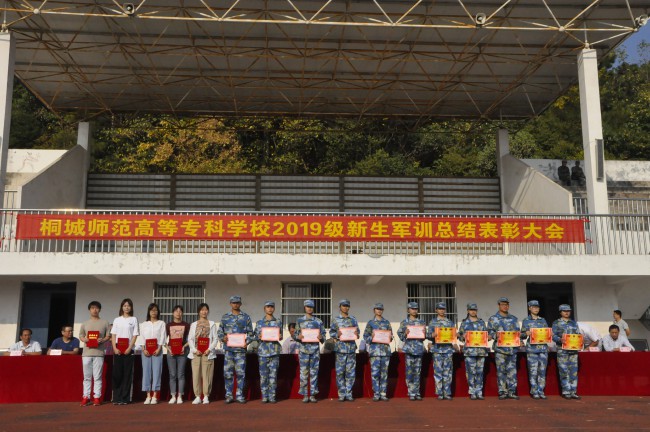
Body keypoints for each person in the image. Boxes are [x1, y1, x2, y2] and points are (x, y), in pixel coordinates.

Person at [218, 295, 254, 404]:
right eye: (233, 303)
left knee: (240, 374)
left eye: (237, 302)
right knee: (228, 374)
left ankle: (239, 395)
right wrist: (223, 338)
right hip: (229, 350)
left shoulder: (246, 317)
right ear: (230, 304)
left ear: (240, 304)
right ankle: (229, 395)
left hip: (240, 351)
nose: (235, 304)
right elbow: (220, 332)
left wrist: (247, 342)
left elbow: (251, 334)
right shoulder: (225, 317)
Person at [78, 301, 111, 406]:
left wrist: (102, 340)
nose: (94, 310)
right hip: (86, 353)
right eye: (92, 308)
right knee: (87, 377)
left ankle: (97, 397)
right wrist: (85, 339)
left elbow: (108, 336)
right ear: (89, 310)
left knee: (97, 377)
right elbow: (81, 335)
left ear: (99, 309)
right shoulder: (85, 323)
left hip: (99, 352)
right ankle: (86, 397)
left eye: (96, 308)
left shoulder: (105, 322)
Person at [294, 299, 326, 403]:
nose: (309, 309)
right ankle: (304, 395)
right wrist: (298, 336)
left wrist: (321, 337)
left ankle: (312, 394)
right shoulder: (299, 321)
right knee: (303, 373)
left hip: (315, 351)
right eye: (308, 307)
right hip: (303, 351)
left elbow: (324, 336)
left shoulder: (318, 321)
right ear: (305, 308)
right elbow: (295, 335)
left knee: (314, 373)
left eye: (311, 307)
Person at [487, 297, 519, 400]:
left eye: (507, 304)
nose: (505, 306)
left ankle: (512, 391)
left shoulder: (514, 318)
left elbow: (517, 332)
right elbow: (489, 332)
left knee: (512, 371)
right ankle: (502, 392)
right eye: (503, 304)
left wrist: (520, 339)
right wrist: (495, 335)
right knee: (501, 371)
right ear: (499, 305)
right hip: (500, 349)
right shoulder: (493, 319)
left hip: (512, 349)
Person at [330, 299, 360, 402]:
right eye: (343, 306)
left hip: (351, 349)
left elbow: (358, 332)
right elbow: (331, 332)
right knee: (340, 372)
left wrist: (356, 334)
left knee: (350, 373)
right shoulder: (335, 320)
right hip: (340, 350)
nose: (345, 307)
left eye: (347, 306)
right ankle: (342, 393)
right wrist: (336, 334)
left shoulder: (353, 319)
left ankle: (349, 393)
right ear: (340, 307)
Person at [187, 303, 217, 404]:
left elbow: (215, 339)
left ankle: (206, 396)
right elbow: (190, 339)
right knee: (196, 374)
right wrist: (194, 350)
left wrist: (209, 349)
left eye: (206, 310)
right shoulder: (193, 324)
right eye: (202, 310)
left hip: (207, 353)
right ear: (199, 312)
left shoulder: (212, 324)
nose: (204, 312)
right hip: (196, 353)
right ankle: (197, 396)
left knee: (207, 374)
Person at [458, 303, 489, 400]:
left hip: (481, 351)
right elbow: (459, 335)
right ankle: (472, 391)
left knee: (480, 372)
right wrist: (462, 336)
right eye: (471, 310)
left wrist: (488, 337)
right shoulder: (464, 323)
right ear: (468, 311)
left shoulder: (481, 322)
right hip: (469, 351)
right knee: (471, 372)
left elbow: (486, 334)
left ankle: (479, 392)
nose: (473, 311)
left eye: (474, 310)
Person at [111, 298, 139, 405]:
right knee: (117, 374)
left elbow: (135, 335)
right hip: (118, 349)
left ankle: (125, 398)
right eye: (124, 306)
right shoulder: (117, 320)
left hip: (129, 349)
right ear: (122, 307)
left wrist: (129, 348)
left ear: (131, 307)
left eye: (128, 306)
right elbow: (113, 335)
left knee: (127, 374)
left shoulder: (134, 319)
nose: (126, 307)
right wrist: (114, 348)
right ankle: (116, 397)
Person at [254, 300, 283, 403]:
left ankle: (272, 396)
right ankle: (265, 396)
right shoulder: (259, 323)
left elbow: (280, 336)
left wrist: (280, 336)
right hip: (263, 352)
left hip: (274, 352)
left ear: (274, 309)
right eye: (268, 307)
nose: (270, 309)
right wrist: (259, 336)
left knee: (273, 376)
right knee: (263, 376)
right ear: (264, 309)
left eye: (271, 307)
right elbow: (255, 336)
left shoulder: (278, 322)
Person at [397, 302, 427, 401]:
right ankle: (411, 392)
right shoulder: (404, 322)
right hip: (409, 350)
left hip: (418, 349)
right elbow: (400, 336)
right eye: (412, 309)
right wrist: (405, 333)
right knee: (409, 372)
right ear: (408, 310)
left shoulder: (422, 322)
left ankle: (417, 392)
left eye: (416, 309)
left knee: (417, 372)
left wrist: (424, 334)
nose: (414, 310)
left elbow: (424, 338)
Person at [363, 302, 393, 402]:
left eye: (380, 309)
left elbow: (391, 336)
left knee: (384, 373)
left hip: (385, 351)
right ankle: (376, 393)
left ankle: (383, 393)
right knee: (375, 373)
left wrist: (390, 337)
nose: (379, 311)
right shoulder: (370, 323)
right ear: (374, 310)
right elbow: (365, 337)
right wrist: (371, 337)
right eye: (377, 309)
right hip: (375, 352)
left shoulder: (387, 322)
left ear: (382, 310)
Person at [520, 300, 549, 399]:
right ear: (529, 308)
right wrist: (525, 333)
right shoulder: (526, 320)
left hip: (543, 349)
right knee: (533, 371)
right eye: (534, 307)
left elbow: (547, 333)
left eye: (537, 307)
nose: (536, 309)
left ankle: (541, 390)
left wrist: (549, 334)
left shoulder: (543, 320)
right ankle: (534, 391)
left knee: (542, 371)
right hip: (532, 349)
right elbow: (522, 335)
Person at [138, 303, 166, 405]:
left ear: (158, 312)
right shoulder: (144, 324)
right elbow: (141, 337)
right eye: (152, 310)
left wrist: (159, 348)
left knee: (157, 371)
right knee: (146, 372)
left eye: (155, 310)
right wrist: (143, 349)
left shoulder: (161, 323)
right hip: (145, 349)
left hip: (157, 349)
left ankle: (155, 395)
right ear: (149, 312)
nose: (153, 312)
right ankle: (148, 395)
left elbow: (163, 336)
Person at [552, 304, 581, 399]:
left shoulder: (573, 323)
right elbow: (553, 336)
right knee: (563, 371)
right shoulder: (556, 323)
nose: (567, 312)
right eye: (564, 311)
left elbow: (578, 334)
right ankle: (566, 391)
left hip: (573, 350)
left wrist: (580, 340)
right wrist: (560, 339)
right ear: (560, 312)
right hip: (562, 350)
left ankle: (573, 391)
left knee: (573, 371)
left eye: (568, 311)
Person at [427, 302, 455, 400]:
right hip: (437, 350)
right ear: (436, 310)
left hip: (448, 350)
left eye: (443, 309)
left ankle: (447, 393)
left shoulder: (450, 322)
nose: (442, 310)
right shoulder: (432, 322)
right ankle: (439, 393)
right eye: (440, 309)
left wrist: (455, 336)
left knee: (448, 372)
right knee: (438, 372)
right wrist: (432, 335)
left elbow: (453, 335)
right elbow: (428, 335)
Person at [166, 305, 190, 404]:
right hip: (171, 352)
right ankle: (173, 396)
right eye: (176, 311)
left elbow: (190, 339)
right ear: (173, 313)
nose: (178, 313)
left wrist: (184, 346)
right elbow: (163, 339)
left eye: (180, 311)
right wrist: (168, 348)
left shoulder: (186, 325)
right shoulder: (168, 325)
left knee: (181, 374)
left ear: (182, 313)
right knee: (172, 374)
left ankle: (180, 395)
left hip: (182, 352)